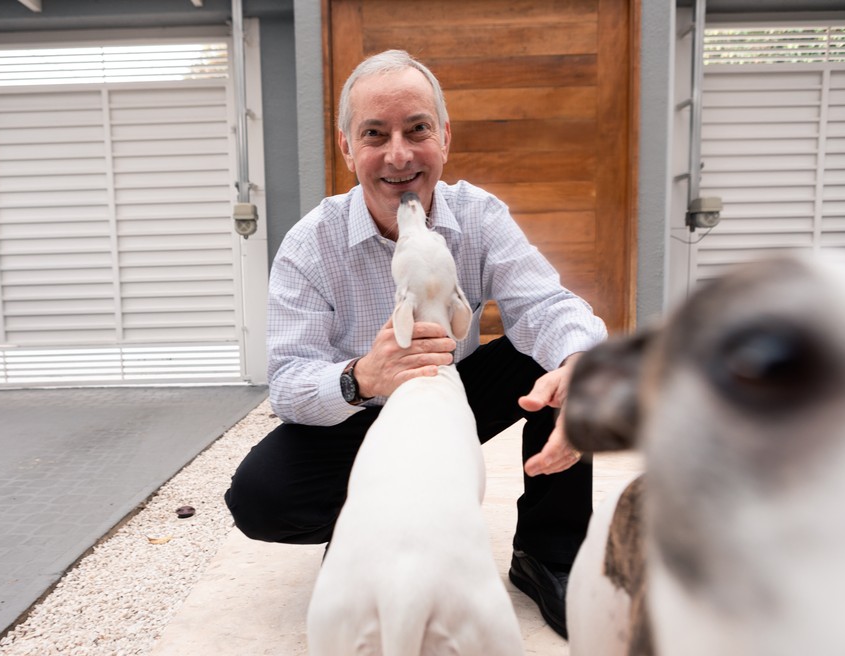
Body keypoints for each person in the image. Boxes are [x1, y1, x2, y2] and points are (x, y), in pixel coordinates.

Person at [224, 49, 607, 640]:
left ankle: (548, 554)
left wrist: (579, 363)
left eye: (417, 129)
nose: (398, 154)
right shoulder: (310, 245)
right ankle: (370, 529)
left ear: (445, 138)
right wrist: (362, 375)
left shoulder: (479, 215)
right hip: (360, 413)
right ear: (347, 147)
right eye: (375, 134)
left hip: (453, 394)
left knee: (558, 355)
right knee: (259, 496)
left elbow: (548, 305)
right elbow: (289, 380)